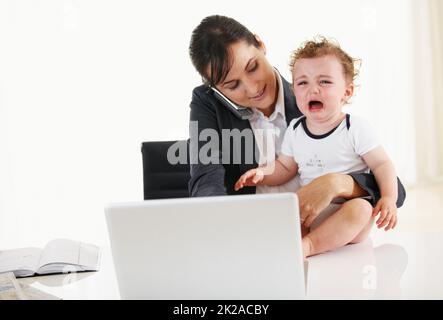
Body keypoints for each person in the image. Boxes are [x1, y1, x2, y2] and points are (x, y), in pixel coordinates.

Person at [187, 15, 405, 245]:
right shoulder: (208, 103)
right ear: (215, 88)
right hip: (254, 237)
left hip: (319, 237)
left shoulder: (311, 96)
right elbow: (206, 180)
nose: (252, 88)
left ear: (260, 44)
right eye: (232, 85)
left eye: (253, 68)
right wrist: (216, 231)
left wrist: (337, 183)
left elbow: (395, 188)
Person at [235, 37, 399, 258]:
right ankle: (292, 245)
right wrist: (262, 173)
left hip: (347, 211)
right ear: (294, 90)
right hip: (311, 211)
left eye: (324, 82)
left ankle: (309, 246)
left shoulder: (354, 127)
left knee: (360, 209)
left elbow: (382, 164)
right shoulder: (295, 129)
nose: (313, 90)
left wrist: (388, 197)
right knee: (289, 210)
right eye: (303, 83)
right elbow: (285, 167)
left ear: (347, 92)